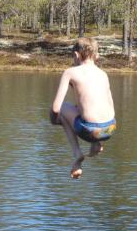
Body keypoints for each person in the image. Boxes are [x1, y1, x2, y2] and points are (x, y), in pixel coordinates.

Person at [50, 37, 116, 179]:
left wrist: (54, 120)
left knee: (63, 109)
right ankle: (97, 143)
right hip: (110, 128)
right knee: (86, 110)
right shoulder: (103, 74)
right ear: (97, 56)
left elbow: (56, 108)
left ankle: (77, 154)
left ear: (76, 55)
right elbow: (110, 105)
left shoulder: (70, 72)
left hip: (89, 130)